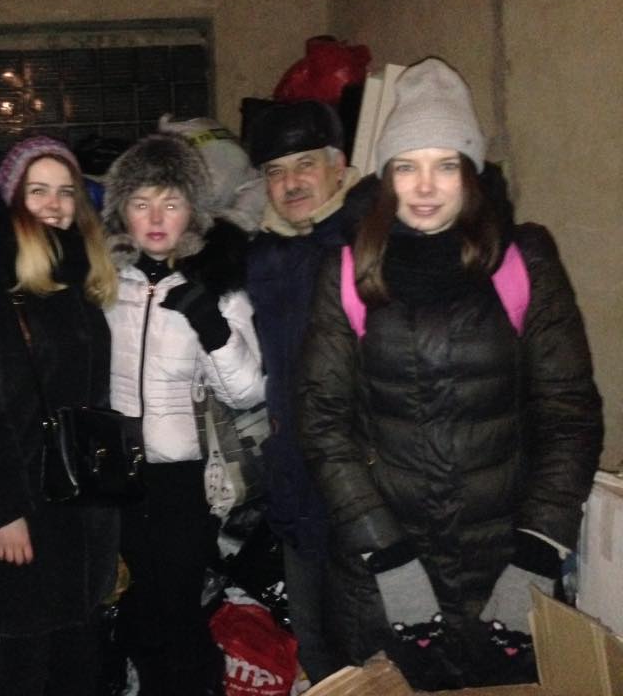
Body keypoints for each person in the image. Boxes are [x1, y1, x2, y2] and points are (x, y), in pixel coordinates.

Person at [296, 58, 603, 690]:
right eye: (407, 166)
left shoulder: (524, 262)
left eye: (446, 164)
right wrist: (387, 555)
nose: (425, 186)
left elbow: (568, 415)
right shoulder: (348, 273)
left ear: (471, 172)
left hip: (504, 571)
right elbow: (323, 423)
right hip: (382, 577)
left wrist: (537, 553)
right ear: (386, 176)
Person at [0, 136, 119, 696]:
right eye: (38, 190)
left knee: (80, 653)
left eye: (66, 191)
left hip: (82, 494)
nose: (55, 204)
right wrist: (4, 511)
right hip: (22, 497)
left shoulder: (81, 268)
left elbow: (94, 392)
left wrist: (111, 489)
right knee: (26, 660)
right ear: (12, 196)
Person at [102, 132, 266, 695]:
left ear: (191, 211)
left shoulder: (216, 286)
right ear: (122, 211)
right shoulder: (104, 283)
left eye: (170, 203)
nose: (155, 218)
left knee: (178, 612)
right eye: (141, 202)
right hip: (115, 477)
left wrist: (210, 324)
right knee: (133, 610)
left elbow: (246, 392)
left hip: (181, 480)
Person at [244, 100, 368, 687]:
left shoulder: (370, 246)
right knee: (315, 644)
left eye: (305, 164)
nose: (290, 182)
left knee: (371, 652)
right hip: (295, 486)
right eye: (276, 170)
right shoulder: (263, 258)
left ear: (338, 167)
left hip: (362, 491)